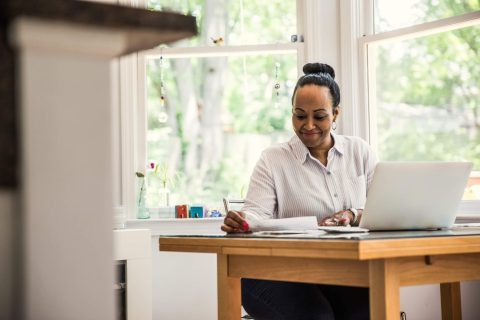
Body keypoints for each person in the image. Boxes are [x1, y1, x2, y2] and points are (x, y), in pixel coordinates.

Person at [221, 62, 377, 320]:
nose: (308, 125)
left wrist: (353, 213)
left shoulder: (359, 151)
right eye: (300, 115)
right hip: (273, 271)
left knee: (369, 309)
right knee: (317, 316)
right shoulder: (273, 159)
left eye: (319, 115)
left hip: (338, 270)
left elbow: (381, 209)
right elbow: (255, 216)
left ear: (336, 113)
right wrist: (242, 221)